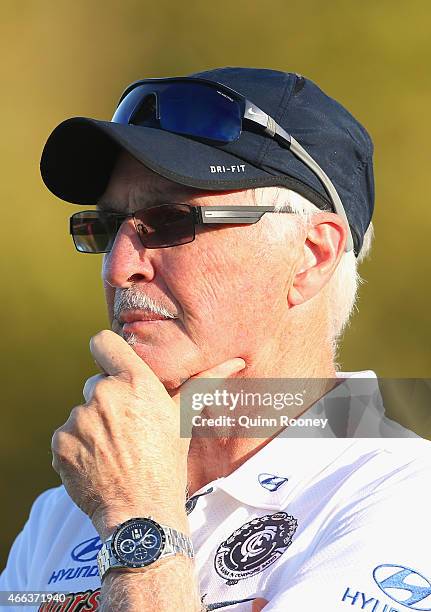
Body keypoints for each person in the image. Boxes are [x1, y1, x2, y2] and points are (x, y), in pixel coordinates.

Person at [1, 67, 430, 612]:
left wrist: (141, 525)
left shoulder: (407, 499)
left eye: (171, 221)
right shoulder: (69, 508)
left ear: (311, 256)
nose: (119, 268)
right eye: (106, 229)